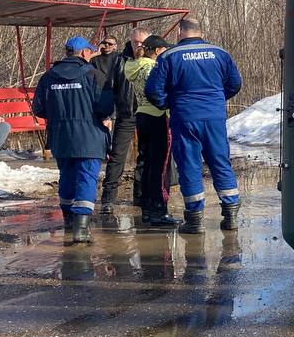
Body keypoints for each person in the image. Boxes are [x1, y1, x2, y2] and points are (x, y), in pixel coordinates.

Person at [144, 16, 242, 235]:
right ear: (200, 31)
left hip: (185, 116)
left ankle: (195, 220)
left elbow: (152, 90)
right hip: (214, 117)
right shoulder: (220, 53)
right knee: (220, 161)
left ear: (180, 31)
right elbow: (235, 83)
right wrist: (216, 100)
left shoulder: (169, 56)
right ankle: (231, 214)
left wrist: (168, 104)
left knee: (190, 165)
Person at [31, 37, 115, 245]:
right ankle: (81, 228)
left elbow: (39, 108)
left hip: (61, 136)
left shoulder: (48, 77)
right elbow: (105, 107)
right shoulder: (94, 75)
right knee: (87, 177)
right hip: (90, 136)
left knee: (67, 176)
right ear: (85, 53)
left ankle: (69, 221)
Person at [124, 35, 178, 228]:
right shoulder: (152, 68)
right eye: (164, 50)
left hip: (143, 115)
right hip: (158, 116)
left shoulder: (136, 66)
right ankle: (159, 210)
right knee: (161, 166)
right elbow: (158, 91)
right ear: (156, 51)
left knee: (147, 164)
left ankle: (147, 208)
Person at [93, 29, 145, 214]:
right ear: (129, 41)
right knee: (117, 156)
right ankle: (108, 198)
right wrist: (106, 114)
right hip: (125, 113)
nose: (138, 45)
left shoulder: (154, 59)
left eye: (142, 42)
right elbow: (110, 88)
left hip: (149, 113)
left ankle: (141, 196)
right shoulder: (119, 60)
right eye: (135, 41)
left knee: (145, 156)